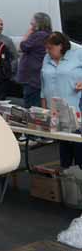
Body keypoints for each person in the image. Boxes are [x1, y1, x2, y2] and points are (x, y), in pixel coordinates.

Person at [41, 32, 82, 168]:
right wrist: (43, 109)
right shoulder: (47, 58)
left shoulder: (77, 55)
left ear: (61, 46)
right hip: (55, 111)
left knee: (78, 144)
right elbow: (43, 83)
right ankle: (67, 179)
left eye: (51, 48)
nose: (48, 51)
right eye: (47, 48)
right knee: (63, 146)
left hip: (75, 108)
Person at [18, 12, 52, 108]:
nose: (31, 24)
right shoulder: (47, 34)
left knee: (31, 106)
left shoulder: (39, 35)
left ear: (39, 22)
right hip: (36, 76)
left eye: (33, 21)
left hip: (32, 78)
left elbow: (22, 46)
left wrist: (27, 34)